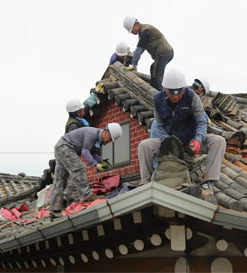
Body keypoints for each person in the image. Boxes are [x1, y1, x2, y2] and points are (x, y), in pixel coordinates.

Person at [137, 68, 226, 196]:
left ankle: (209, 182)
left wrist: (198, 139)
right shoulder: (157, 100)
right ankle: (145, 183)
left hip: (190, 140)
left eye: (180, 92)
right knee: (144, 146)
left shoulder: (192, 97)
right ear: (165, 89)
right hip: (169, 141)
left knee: (218, 141)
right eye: (172, 92)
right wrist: (169, 142)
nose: (176, 96)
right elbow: (159, 126)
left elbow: (201, 122)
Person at [50, 123, 123, 214]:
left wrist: (101, 159)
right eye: (109, 139)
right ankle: (86, 195)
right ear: (106, 131)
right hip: (65, 147)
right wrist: (95, 165)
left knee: (61, 178)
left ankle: (55, 207)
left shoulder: (96, 139)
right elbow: (85, 152)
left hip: (60, 147)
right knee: (79, 168)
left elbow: (91, 153)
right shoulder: (92, 133)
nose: (108, 141)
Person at [122, 16, 174, 91]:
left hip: (163, 53)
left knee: (157, 76)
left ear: (136, 25)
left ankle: (162, 95)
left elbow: (139, 49)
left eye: (131, 30)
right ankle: (153, 89)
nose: (132, 33)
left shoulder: (145, 32)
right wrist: (133, 56)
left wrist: (134, 64)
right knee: (153, 68)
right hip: (165, 53)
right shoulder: (143, 31)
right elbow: (141, 49)